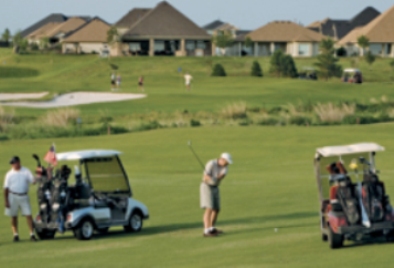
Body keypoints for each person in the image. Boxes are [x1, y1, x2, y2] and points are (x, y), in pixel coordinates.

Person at [3, 156, 37, 242]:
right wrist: (6, 200)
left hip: (24, 195)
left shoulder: (26, 171)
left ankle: (32, 234)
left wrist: (36, 176)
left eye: (14, 163)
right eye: (12, 163)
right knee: (13, 216)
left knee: (28, 215)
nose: (13, 165)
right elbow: (6, 188)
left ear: (19, 162)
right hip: (12, 196)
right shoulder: (9, 174)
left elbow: (33, 181)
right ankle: (15, 235)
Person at [200, 153, 233, 237]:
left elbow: (222, 176)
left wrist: (216, 178)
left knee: (216, 209)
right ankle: (206, 230)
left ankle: (211, 228)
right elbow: (205, 177)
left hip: (215, 187)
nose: (227, 164)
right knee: (209, 208)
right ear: (222, 159)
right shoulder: (211, 164)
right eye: (226, 162)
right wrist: (211, 178)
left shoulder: (225, 167)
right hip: (206, 186)